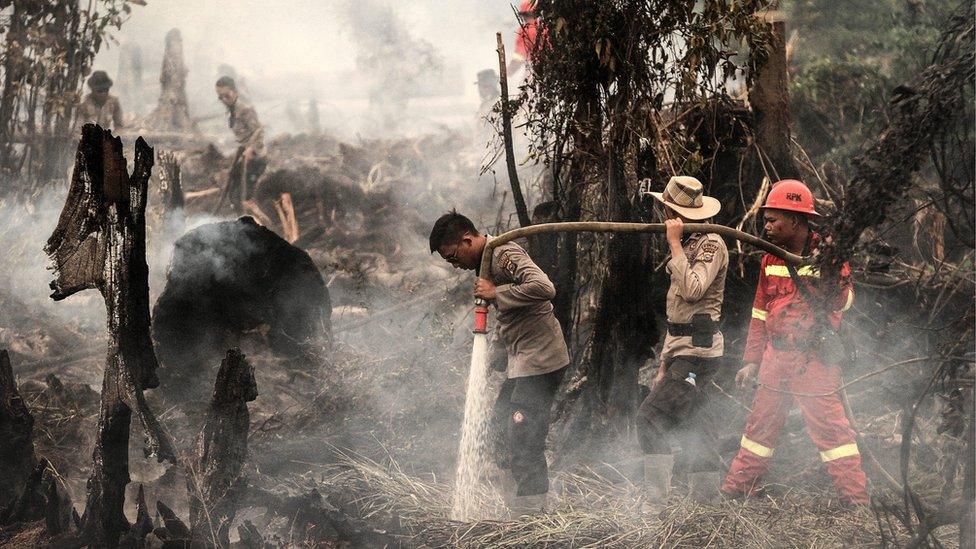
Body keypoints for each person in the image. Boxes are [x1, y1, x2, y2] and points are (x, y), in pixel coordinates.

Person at [721, 179, 868, 505]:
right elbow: (759, 314)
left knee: (832, 433)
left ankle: (855, 502)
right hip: (776, 356)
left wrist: (830, 275)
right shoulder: (769, 260)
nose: (767, 226)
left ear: (796, 221)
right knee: (759, 429)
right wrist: (751, 360)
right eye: (766, 220)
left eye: (773, 220)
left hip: (812, 359)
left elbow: (844, 303)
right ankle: (739, 492)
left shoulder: (828, 256)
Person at [429, 211, 569, 514]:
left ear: (467, 240)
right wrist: (487, 362)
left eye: (453, 257)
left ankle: (530, 521)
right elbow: (506, 320)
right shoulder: (484, 263)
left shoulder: (503, 253)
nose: (455, 266)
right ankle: (514, 509)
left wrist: (497, 292)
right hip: (523, 362)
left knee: (524, 439)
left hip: (541, 360)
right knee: (499, 430)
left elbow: (545, 288)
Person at [636, 176, 728, 505]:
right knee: (699, 423)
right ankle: (706, 505)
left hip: (698, 357)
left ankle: (654, 507)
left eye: (668, 210)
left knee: (649, 417)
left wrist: (674, 244)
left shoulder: (712, 244)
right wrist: (664, 362)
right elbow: (677, 315)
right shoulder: (691, 243)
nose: (664, 216)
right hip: (682, 355)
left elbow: (693, 290)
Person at [215, 76, 267, 211]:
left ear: (234, 92)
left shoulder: (245, 109)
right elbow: (242, 136)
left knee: (242, 196)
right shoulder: (231, 110)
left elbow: (259, 133)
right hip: (244, 156)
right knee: (232, 189)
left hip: (256, 158)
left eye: (227, 95)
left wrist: (251, 149)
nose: (224, 100)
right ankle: (241, 219)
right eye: (220, 97)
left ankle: (255, 224)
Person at [507, 1, 541, 77]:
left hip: (534, 70)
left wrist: (508, 74)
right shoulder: (544, 28)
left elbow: (520, 55)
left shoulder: (526, 30)